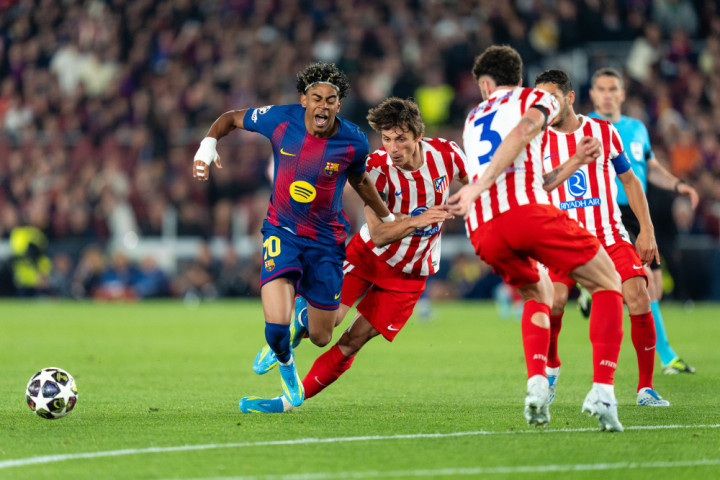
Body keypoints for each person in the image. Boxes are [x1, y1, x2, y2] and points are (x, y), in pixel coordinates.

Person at [238, 97, 468, 413]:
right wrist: (417, 220)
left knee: (351, 343)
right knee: (326, 325)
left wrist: (471, 203)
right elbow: (379, 234)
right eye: (386, 139)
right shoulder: (376, 168)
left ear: (419, 135)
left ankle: (288, 402)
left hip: (410, 275)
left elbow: (476, 185)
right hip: (367, 256)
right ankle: (295, 328)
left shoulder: (448, 154)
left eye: (401, 139)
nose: (393, 148)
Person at [192, 62, 393, 408]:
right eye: (316, 98)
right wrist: (207, 145)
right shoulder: (280, 119)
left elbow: (359, 179)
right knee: (274, 330)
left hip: (327, 243)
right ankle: (286, 364)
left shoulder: (354, 141)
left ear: (339, 104)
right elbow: (231, 118)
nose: (323, 105)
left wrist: (386, 215)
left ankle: (302, 320)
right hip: (282, 232)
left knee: (321, 336)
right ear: (304, 100)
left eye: (330, 99)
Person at [448, 45, 625, 432]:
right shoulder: (536, 97)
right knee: (608, 281)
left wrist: (575, 161)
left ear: (485, 85)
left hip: (483, 230)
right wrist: (479, 184)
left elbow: (532, 174)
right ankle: (603, 391)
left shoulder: (473, 117)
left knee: (538, 293)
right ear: (518, 77)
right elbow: (524, 130)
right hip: (525, 214)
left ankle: (537, 387)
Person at [535, 69, 669, 407]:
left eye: (552, 98)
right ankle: (551, 368)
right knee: (553, 303)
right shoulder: (537, 140)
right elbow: (540, 186)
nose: (545, 105)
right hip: (562, 239)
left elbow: (631, 181)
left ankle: (646, 388)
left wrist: (647, 229)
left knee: (639, 296)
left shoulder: (603, 131)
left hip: (608, 236)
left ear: (569, 98)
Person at [588, 67, 698, 375]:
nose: (607, 95)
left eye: (613, 89)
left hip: (640, 213)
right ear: (592, 94)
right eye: (601, 89)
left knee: (656, 288)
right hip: (608, 212)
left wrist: (678, 184)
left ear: (622, 94)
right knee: (644, 280)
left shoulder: (637, 128)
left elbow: (650, 168)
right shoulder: (586, 128)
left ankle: (593, 283)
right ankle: (667, 358)